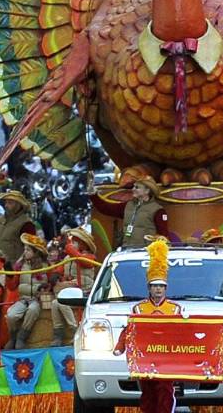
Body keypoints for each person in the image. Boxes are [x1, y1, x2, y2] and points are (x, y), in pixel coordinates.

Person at [112, 238, 181, 413]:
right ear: (149, 288)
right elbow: (129, 330)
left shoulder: (175, 308)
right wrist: (120, 346)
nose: (158, 289)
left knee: (165, 391)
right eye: (154, 286)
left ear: (166, 289)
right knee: (148, 392)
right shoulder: (139, 307)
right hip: (145, 357)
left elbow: (182, 333)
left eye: (161, 286)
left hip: (166, 358)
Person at [90, 177, 169, 249]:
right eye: (133, 187)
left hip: (146, 251)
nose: (133, 189)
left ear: (147, 191)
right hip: (127, 249)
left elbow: (163, 235)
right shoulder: (128, 205)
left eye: (137, 187)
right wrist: (93, 194)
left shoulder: (158, 210)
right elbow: (106, 208)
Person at [4, 233, 51, 349]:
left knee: (33, 309)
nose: (25, 252)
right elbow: (12, 286)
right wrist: (9, 276)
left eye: (28, 250)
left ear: (36, 252)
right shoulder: (20, 266)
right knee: (11, 315)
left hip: (37, 300)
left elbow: (50, 283)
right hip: (23, 299)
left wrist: (47, 286)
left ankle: (22, 336)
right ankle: (13, 336)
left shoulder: (45, 266)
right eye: (25, 249)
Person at [51, 227, 97, 346]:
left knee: (62, 302)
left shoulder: (90, 257)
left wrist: (71, 250)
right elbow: (59, 270)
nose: (72, 244)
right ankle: (58, 334)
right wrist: (55, 275)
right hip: (71, 291)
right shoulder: (68, 258)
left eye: (75, 242)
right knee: (55, 303)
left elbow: (83, 262)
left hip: (85, 292)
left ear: (83, 244)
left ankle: (76, 329)